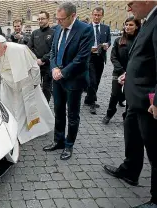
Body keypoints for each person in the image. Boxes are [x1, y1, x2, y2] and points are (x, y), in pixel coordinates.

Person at [103, 1, 157, 208]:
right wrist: (130, 74)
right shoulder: (148, 20)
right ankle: (130, 170)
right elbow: (146, 59)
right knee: (131, 135)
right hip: (135, 99)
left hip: (148, 101)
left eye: (131, 2)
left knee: (154, 149)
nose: (128, 7)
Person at [0, 35, 55, 144]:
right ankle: (12, 131)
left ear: (5, 47)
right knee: (8, 109)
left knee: (27, 108)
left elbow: (34, 66)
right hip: (7, 85)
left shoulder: (20, 49)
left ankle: (32, 131)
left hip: (24, 83)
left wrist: (35, 83)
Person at [43, 2, 94, 160]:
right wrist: (53, 68)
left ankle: (69, 145)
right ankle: (58, 140)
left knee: (72, 115)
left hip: (74, 80)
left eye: (62, 19)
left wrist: (63, 72)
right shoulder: (58, 28)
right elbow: (53, 51)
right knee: (58, 111)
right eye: (57, 19)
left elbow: (82, 58)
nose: (58, 22)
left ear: (73, 16)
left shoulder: (85, 30)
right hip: (57, 78)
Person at [102, 16, 141, 124]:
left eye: (131, 25)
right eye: (126, 24)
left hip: (133, 73)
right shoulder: (119, 40)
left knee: (129, 96)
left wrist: (129, 72)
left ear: (137, 26)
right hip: (118, 72)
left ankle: (127, 116)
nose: (128, 27)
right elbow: (113, 57)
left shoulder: (140, 41)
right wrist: (122, 71)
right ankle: (109, 113)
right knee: (115, 93)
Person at [84, 7, 112, 114]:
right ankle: (92, 102)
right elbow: (82, 42)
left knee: (98, 80)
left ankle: (88, 98)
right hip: (89, 58)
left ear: (102, 16)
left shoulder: (106, 28)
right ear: (92, 15)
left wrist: (107, 45)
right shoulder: (86, 27)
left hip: (100, 57)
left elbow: (109, 40)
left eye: (99, 15)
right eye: (95, 14)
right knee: (92, 81)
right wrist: (89, 48)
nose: (96, 17)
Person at [28, 11, 55, 102]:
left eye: (42, 18)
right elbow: (29, 48)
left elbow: (54, 50)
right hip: (35, 65)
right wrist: (36, 60)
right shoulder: (35, 33)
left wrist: (43, 59)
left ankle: (45, 107)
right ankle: (36, 106)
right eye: (39, 19)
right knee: (35, 87)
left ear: (48, 19)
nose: (40, 20)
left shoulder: (53, 33)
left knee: (46, 89)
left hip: (47, 65)